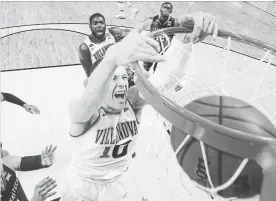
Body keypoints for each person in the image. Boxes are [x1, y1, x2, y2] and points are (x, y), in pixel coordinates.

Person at [60, 11, 218, 201]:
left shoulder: (132, 103)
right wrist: (111, 58)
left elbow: (167, 82)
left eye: (124, 78)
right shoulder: (81, 111)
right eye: (114, 78)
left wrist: (184, 42)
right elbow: (89, 99)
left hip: (116, 183)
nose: (122, 83)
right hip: (81, 187)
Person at [79, 13, 129, 78]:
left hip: (122, 73)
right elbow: (90, 76)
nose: (99, 26)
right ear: (90, 26)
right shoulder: (84, 48)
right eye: (95, 23)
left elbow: (133, 35)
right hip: (105, 79)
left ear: (105, 25)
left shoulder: (113, 32)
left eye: (101, 23)